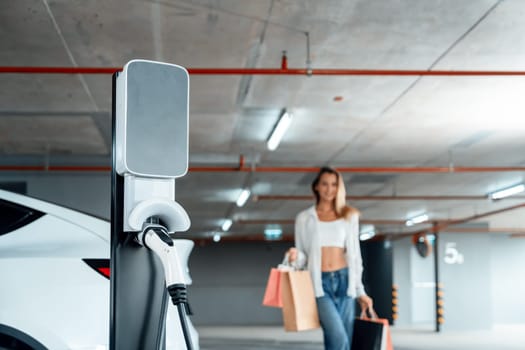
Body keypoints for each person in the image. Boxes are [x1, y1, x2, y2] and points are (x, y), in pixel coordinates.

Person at [286, 166, 373, 350]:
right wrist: (295, 256)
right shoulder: (304, 218)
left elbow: (355, 256)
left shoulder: (348, 216)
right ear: (316, 186)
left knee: (342, 340)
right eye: (325, 184)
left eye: (334, 184)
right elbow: (303, 257)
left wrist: (360, 291)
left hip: (344, 281)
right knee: (338, 336)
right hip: (319, 284)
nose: (329, 189)